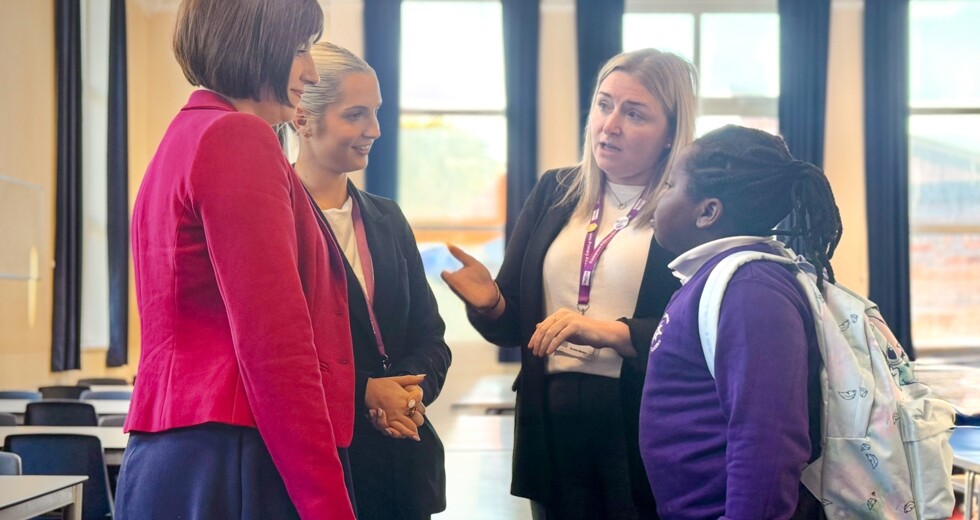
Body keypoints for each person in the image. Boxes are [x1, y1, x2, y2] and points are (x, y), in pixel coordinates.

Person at [116, 1, 357, 518]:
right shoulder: (238, 136)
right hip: (234, 451)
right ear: (255, 43)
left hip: (171, 449)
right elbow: (275, 344)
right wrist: (327, 503)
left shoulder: (181, 137)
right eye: (298, 50)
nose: (310, 72)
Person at [441, 48, 698, 519]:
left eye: (634, 113)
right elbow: (515, 323)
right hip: (551, 424)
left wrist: (613, 331)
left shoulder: (685, 210)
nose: (610, 124)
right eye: (604, 104)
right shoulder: (555, 190)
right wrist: (491, 305)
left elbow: (698, 331)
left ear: (669, 134)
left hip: (639, 425)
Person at [640, 125, 836, 519]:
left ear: (708, 211)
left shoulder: (749, 290)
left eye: (669, 186)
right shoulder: (714, 278)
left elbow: (768, 441)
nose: (656, 199)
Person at [291, 42, 452, 520]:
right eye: (356, 115)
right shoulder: (277, 220)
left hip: (400, 469)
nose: (374, 131)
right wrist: (365, 390)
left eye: (376, 113)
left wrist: (408, 395)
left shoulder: (388, 217)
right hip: (319, 467)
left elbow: (430, 336)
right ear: (303, 118)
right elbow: (279, 354)